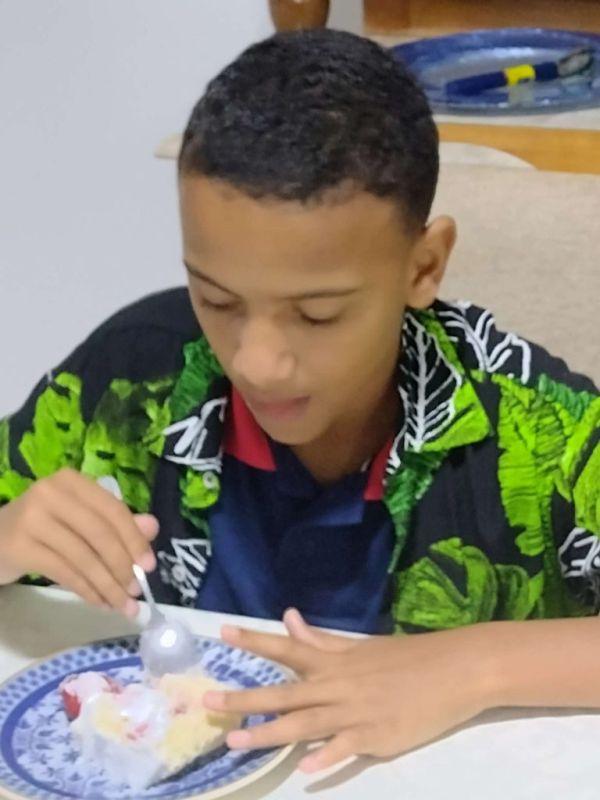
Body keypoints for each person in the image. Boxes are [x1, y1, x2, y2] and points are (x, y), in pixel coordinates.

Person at [1, 29, 599, 772]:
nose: (257, 362)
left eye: (317, 315)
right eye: (217, 299)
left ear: (424, 267)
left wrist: (474, 667)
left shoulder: (532, 423)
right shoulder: (134, 377)